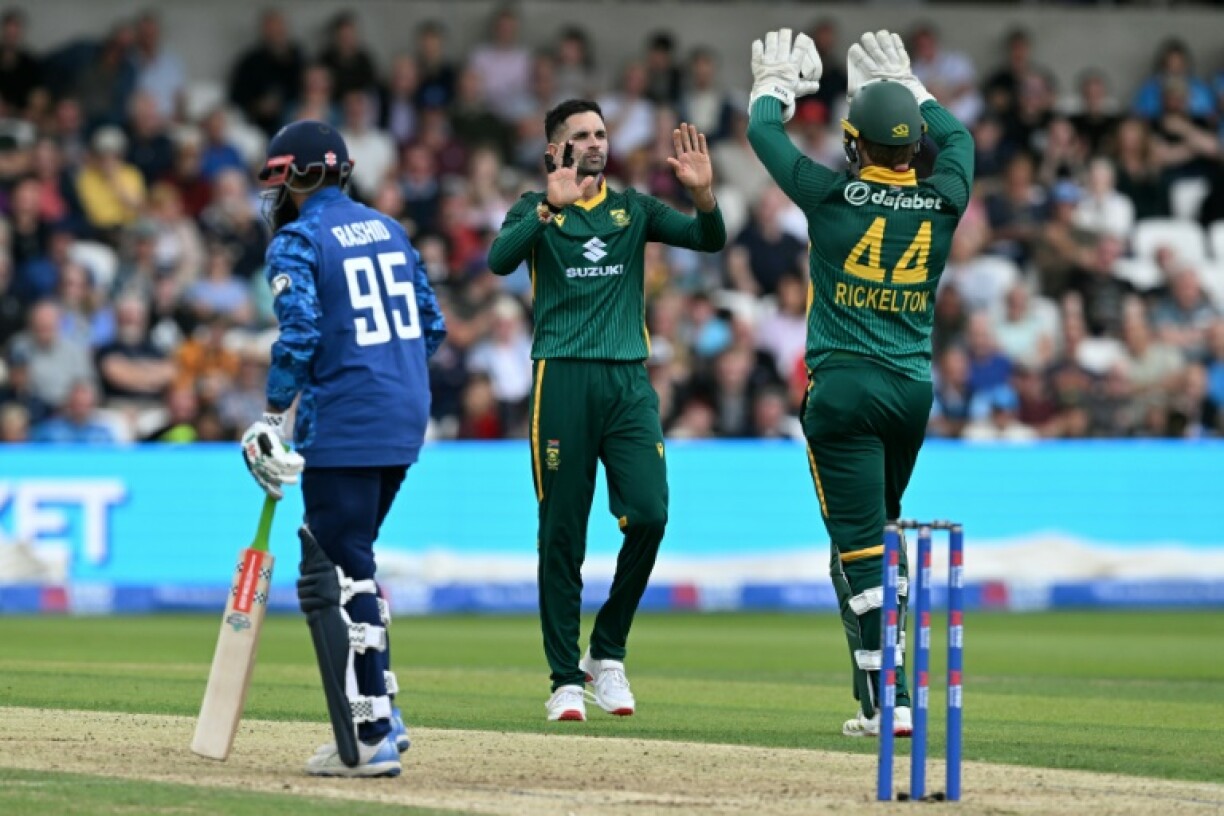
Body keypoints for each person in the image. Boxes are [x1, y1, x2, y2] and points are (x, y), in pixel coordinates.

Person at [746, 30, 973, 737]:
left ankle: (896, 699)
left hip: (844, 390)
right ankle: (874, 699)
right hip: (910, 393)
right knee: (873, 535)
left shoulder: (831, 194)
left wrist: (776, 87)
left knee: (860, 547)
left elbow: (762, 132)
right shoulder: (945, 201)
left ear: (854, 144)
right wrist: (917, 91)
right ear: (912, 149)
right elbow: (960, 139)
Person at [488, 99, 725, 722]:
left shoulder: (634, 209)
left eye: (600, 133)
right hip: (561, 381)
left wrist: (703, 196)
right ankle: (565, 678)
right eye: (581, 136)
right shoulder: (534, 210)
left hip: (626, 382)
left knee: (649, 514)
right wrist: (549, 206)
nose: (595, 143)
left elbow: (710, 238)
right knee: (562, 535)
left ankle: (607, 653)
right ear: (554, 152)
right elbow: (499, 260)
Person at [241, 120, 446, 777]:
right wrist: (387, 371)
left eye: (279, 181)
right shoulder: (389, 227)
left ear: (298, 177)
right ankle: (380, 702)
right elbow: (432, 326)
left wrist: (272, 415)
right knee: (341, 547)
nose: (276, 197)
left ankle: (373, 732)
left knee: (347, 558)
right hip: (406, 409)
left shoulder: (298, 240)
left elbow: (299, 333)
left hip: (348, 416)